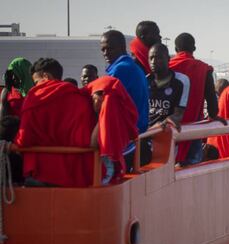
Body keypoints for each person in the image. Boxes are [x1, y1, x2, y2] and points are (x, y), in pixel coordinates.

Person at [15, 58, 95, 187]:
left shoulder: (34, 97)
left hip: (41, 173)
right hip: (75, 174)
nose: (35, 86)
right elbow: (84, 139)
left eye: (36, 82)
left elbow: (24, 140)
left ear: (46, 76)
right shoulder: (80, 98)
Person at [169, 32, 224, 165]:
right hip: (193, 129)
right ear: (194, 48)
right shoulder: (204, 69)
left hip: (169, 128)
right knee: (191, 167)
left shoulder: (167, 67)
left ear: (176, 50)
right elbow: (212, 103)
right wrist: (212, 116)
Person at [100, 30, 150, 165]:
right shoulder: (132, 67)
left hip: (128, 141)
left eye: (109, 48)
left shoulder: (120, 70)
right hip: (137, 137)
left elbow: (103, 104)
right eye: (103, 49)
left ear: (122, 48)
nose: (105, 53)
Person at [83, 76, 138, 184]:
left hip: (108, 163)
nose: (93, 101)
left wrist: (102, 118)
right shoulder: (119, 103)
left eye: (95, 98)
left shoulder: (111, 105)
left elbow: (94, 143)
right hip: (120, 155)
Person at [147, 43, 189, 130]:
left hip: (165, 135)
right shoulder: (145, 80)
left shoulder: (181, 81)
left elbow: (178, 114)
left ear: (168, 59)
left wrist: (167, 121)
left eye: (158, 58)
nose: (153, 62)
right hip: (144, 135)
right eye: (151, 58)